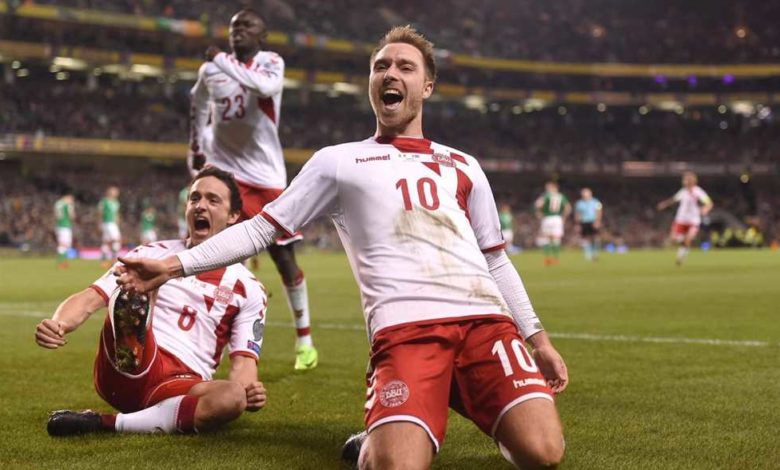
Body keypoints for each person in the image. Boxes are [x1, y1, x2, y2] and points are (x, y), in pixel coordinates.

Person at [116, 26, 568, 469]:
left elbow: (494, 258)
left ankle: (450, 390)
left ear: (427, 86)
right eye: (381, 66)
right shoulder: (338, 161)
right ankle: (376, 438)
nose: (390, 74)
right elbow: (259, 231)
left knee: (544, 452)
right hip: (407, 330)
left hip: (486, 324)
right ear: (371, 82)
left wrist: (538, 339)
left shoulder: (465, 164)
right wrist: (173, 266)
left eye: (405, 67)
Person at [36, 168, 268, 436]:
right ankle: (133, 334)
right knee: (132, 292)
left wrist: (249, 391)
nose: (200, 206)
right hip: (129, 365)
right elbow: (90, 298)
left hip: (181, 385)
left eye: (213, 200)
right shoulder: (150, 255)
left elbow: (244, 363)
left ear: (233, 216)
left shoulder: (249, 288)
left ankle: (105, 423)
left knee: (232, 397)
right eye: (194, 198)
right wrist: (58, 324)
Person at [189, 8, 317, 370]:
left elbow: (264, 88)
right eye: (234, 26)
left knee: (284, 261)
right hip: (225, 174)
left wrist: (220, 58)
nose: (238, 30)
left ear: (262, 36)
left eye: (247, 26)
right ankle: (214, 344)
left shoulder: (270, 62)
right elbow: (198, 104)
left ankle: (305, 342)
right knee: (221, 260)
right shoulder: (210, 71)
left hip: (265, 178)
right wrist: (196, 146)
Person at [657, 171, 713, 265]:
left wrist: (706, 209)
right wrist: (664, 204)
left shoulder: (698, 191)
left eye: (687, 179)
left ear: (693, 181)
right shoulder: (683, 191)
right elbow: (674, 199)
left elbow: (709, 203)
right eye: (685, 180)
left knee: (688, 239)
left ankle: (680, 257)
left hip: (693, 220)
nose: (685, 181)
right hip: (681, 219)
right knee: (674, 239)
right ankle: (682, 244)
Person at [535, 181, 571, 266]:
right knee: (556, 238)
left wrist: (539, 212)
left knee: (547, 238)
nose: (547, 189)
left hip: (547, 218)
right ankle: (556, 258)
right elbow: (568, 208)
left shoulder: (546, 195)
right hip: (558, 218)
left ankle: (547, 259)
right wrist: (564, 217)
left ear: (553, 187)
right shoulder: (561, 196)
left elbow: (538, 204)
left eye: (548, 187)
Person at [574, 188, 603, 261]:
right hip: (584, 222)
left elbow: (599, 211)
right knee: (586, 238)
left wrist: (598, 221)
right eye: (583, 193)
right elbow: (578, 214)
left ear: (590, 193)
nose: (584, 194)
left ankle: (595, 253)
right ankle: (588, 254)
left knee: (595, 237)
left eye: (586, 193)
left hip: (593, 221)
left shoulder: (596, 202)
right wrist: (577, 224)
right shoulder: (579, 203)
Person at [98, 186, 122, 264]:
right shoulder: (104, 201)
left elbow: (116, 214)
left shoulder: (116, 202)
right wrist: (99, 223)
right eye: (114, 191)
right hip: (107, 222)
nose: (116, 193)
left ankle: (103, 259)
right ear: (109, 192)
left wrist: (117, 223)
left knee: (106, 241)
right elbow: (100, 213)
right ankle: (114, 258)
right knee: (117, 239)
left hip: (113, 223)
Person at [54, 192, 75, 268]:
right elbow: (71, 215)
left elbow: (56, 215)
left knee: (62, 244)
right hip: (65, 225)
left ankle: (63, 262)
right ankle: (61, 262)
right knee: (65, 244)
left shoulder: (57, 203)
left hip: (59, 225)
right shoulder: (67, 204)